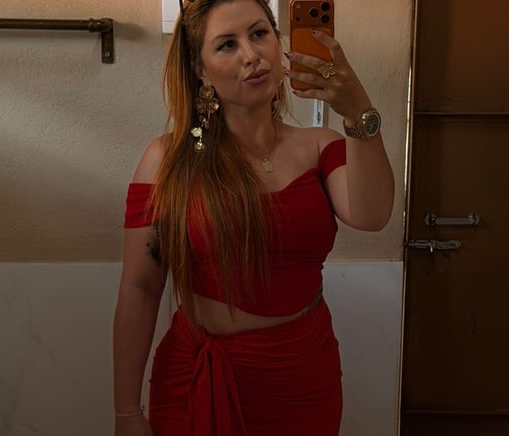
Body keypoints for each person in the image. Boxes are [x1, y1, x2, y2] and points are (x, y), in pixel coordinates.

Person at [112, 0, 393, 434]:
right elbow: (141, 288)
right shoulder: (170, 158)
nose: (251, 55)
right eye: (227, 44)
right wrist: (127, 411)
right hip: (197, 379)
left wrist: (359, 113)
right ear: (201, 70)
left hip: (302, 379)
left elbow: (372, 214)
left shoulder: (320, 146)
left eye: (259, 34)